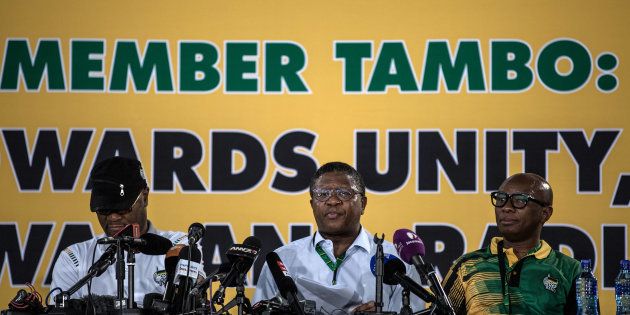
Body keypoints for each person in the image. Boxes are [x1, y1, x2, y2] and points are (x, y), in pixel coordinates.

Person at [254, 162, 424, 314]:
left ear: (363, 204)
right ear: (312, 204)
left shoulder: (397, 262)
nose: (333, 201)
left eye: (344, 193)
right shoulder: (282, 260)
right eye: (322, 194)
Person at [50, 156, 195, 307]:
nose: (113, 217)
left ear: (144, 197)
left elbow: (188, 305)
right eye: (104, 209)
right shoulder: (74, 258)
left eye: (122, 208)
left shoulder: (179, 246)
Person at [441, 173, 581, 314]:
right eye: (501, 199)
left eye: (519, 200)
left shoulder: (570, 270)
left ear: (545, 213)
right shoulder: (466, 266)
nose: (506, 207)